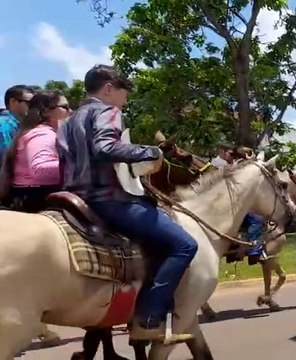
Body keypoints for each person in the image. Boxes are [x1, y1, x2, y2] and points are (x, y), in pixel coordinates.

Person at [56, 64, 197, 341]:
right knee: (185, 245)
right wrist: (150, 152)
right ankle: (148, 320)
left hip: (75, 199)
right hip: (109, 200)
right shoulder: (107, 111)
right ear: (109, 89)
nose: (125, 100)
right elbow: (105, 147)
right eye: (125, 93)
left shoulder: (69, 121)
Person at [0, 91, 70, 212]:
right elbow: (39, 169)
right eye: (65, 107)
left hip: (26, 195)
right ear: (47, 111)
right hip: (37, 198)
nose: (70, 111)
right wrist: (74, 165)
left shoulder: (34, 131)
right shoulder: (43, 134)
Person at [0, 85, 35, 162]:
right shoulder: (5, 125)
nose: (33, 107)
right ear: (12, 101)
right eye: (29, 103)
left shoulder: (20, 124)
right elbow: (5, 159)